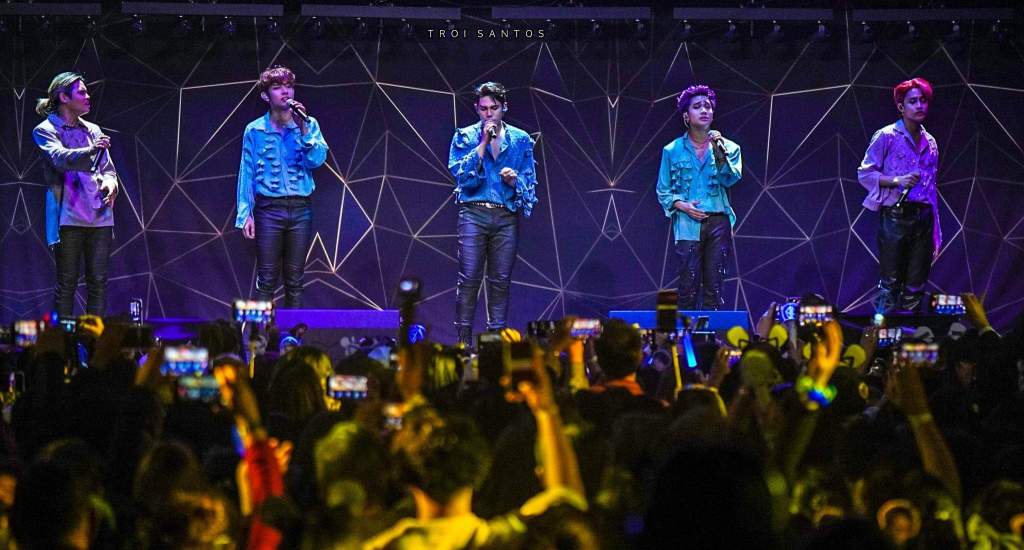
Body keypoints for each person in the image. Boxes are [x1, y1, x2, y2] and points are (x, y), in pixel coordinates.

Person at [448, 82, 539, 347]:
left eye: (494, 108)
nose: (489, 114)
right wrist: (483, 142)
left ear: (504, 108)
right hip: (473, 214)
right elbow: (461, 176)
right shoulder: (465, 136)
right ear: (477, 109)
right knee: (469, 279)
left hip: (505, 217)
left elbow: (530, 185)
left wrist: (515, 181)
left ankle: (495, 342)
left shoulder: (521, 139)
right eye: (484, 108)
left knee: (500, 281)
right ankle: (463, 343)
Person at [235, 65, 329, 308]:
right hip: (269, 210)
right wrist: (245, 214)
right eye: (278, 87)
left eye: (289, 86)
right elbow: (247, 172)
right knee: (266, 279)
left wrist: (304, 128)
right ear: (266, 95)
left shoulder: (309, 123)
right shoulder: (254, 130)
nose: (285, 92)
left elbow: (317, 161)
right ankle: (261, 331)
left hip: (300, 209)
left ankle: (293, 332)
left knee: (295, 279)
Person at [33, 72, 119, 317]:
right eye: (81, 92)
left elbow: (108, 169)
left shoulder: (93, 129)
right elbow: (60, 159)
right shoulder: (45, 129)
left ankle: (95, 338)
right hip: (68, 216)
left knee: (98, 282)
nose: (88, 96)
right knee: (67, 283)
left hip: (99, 214)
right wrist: (91, 149)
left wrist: (111, 184)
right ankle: (63, 339)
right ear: (63, 97)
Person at [858, 77, 941, 313]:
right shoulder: (887, 136)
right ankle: (880, 333)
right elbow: (865, 174)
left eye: (923, 100)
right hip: (896, 215)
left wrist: (936, 229)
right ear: (901, 106)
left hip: (924, 217)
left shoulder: (931, 142)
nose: (920, 105)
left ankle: (908, 332)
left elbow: (931, 188)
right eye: (913, 101)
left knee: (916, 286)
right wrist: (897, 180)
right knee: (890, 284)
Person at [656, 84, 742, 311]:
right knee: (688, 283)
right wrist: (682, 205)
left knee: (715, 284)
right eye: (697, 106)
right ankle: (686, 332)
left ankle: (711, 332)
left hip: (719, 221)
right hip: (687, 224)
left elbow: (730, 179)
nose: (704, 110)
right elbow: (663, 190)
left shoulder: (729, 147)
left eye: (708, 106)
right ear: (686, 115)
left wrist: (718, 151)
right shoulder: (672, 150)